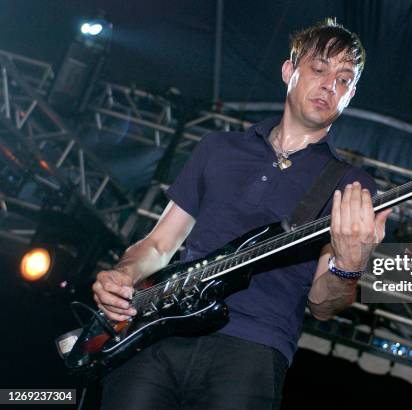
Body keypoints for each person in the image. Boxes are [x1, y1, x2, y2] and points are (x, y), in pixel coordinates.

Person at [93, 18, 392, 409]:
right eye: (319, 69)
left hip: (252, 351)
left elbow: (323, 304)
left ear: (350, 94)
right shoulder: (218, 147)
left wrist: (350, 267)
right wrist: (124, 273)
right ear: (290, 71)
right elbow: (159, 243)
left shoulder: (351, 186)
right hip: (160, 333)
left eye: (344, 79)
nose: (329, 85)